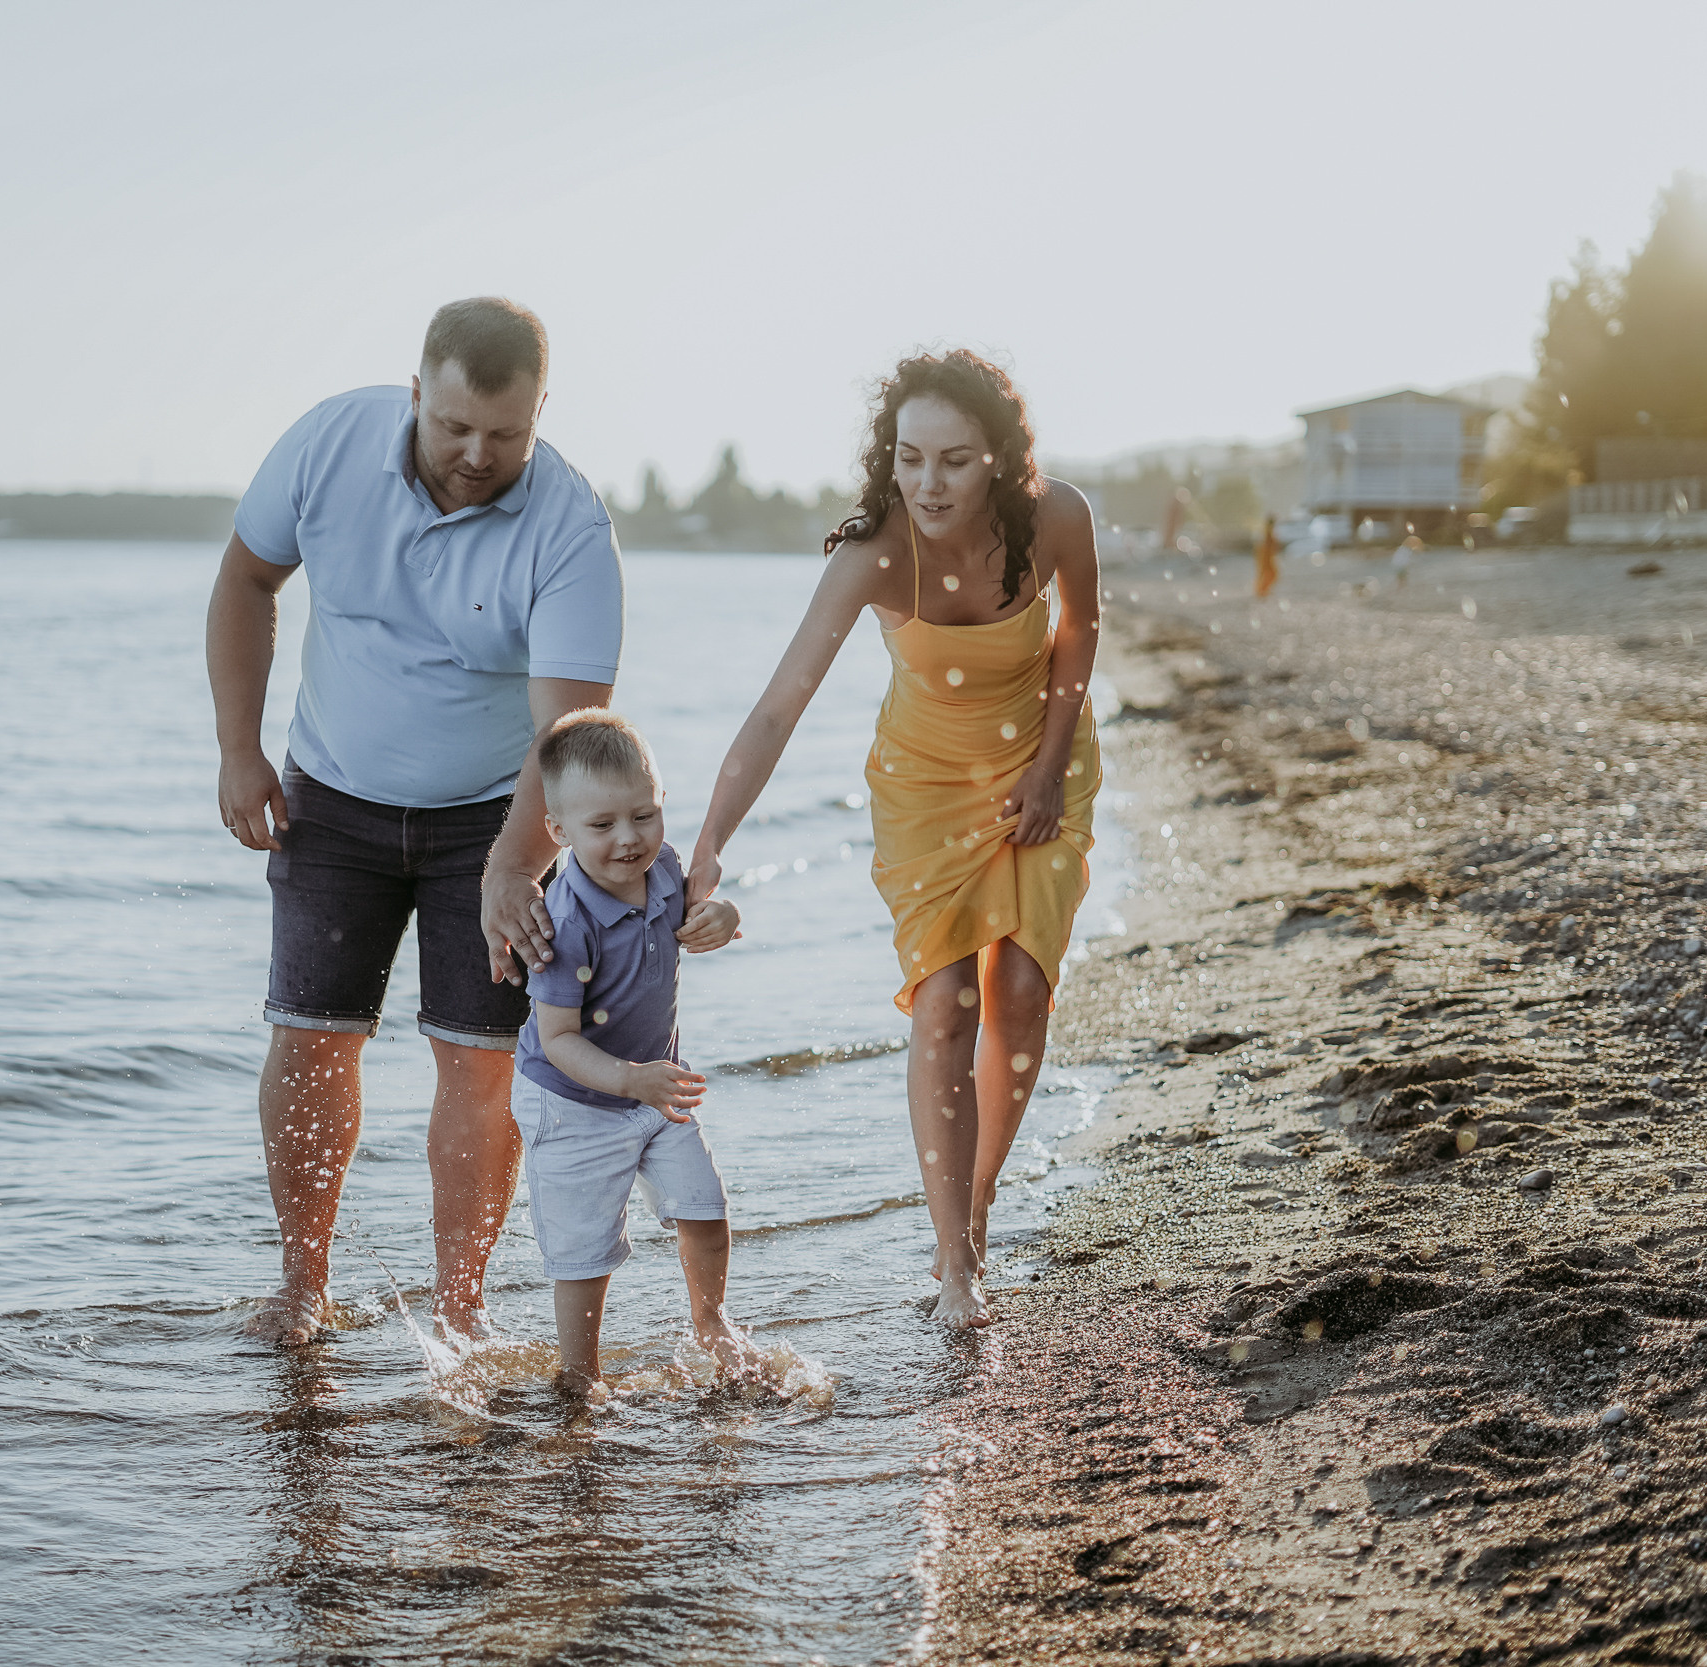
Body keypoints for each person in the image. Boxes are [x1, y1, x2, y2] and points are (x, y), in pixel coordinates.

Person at [207, 297, 624, 1346]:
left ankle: (461, 1312)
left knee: (477, 1061)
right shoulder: (328, 444)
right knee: (310, 1038)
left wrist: (514, 864)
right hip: (331, 798)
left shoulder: (570, 528)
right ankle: (303, 1286)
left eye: (505, 433)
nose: (478, 454)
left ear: (540, 412)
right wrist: (238, 748)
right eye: (455, 426)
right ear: (415, 393)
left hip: (492, 818)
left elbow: (567, 734)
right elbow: (247, 577)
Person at [688, 350, 1102, 1329]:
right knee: (947, 1003)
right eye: (910, 458)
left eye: (954, 460)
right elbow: (778, 708)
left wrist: (1048, 769)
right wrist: (707, 846)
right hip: (925, 789)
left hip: (1041, 762)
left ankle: (977, 1200)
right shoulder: (871, 554)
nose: (929, 483)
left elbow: (1079, 631)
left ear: (998, 458)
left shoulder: (1057, 516)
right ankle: (955, 1260)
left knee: (1021, 990)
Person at [511, 710, 758, 1396]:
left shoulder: (667, 869)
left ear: (661, 804)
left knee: (705, 1208)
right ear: (558, 830)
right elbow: (558, 1039)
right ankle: (579, 1373)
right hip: (573, 1101)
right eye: (602, 825)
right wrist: (629, 1080)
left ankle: (712, 1322)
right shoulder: (566, 921)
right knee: (585, 1250)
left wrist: (726, 916)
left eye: (643, 815)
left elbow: (703, 914)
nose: (628, 838)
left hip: (654, 1088)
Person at [1253, 514, 1281, 598]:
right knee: (1270, 573)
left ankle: (1262, 590)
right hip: (1266, 556)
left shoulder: (1269, 531)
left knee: (1268, 573)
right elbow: (1266, 545)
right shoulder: (1267, 531)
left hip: (1267, 556)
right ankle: (1262, 590)